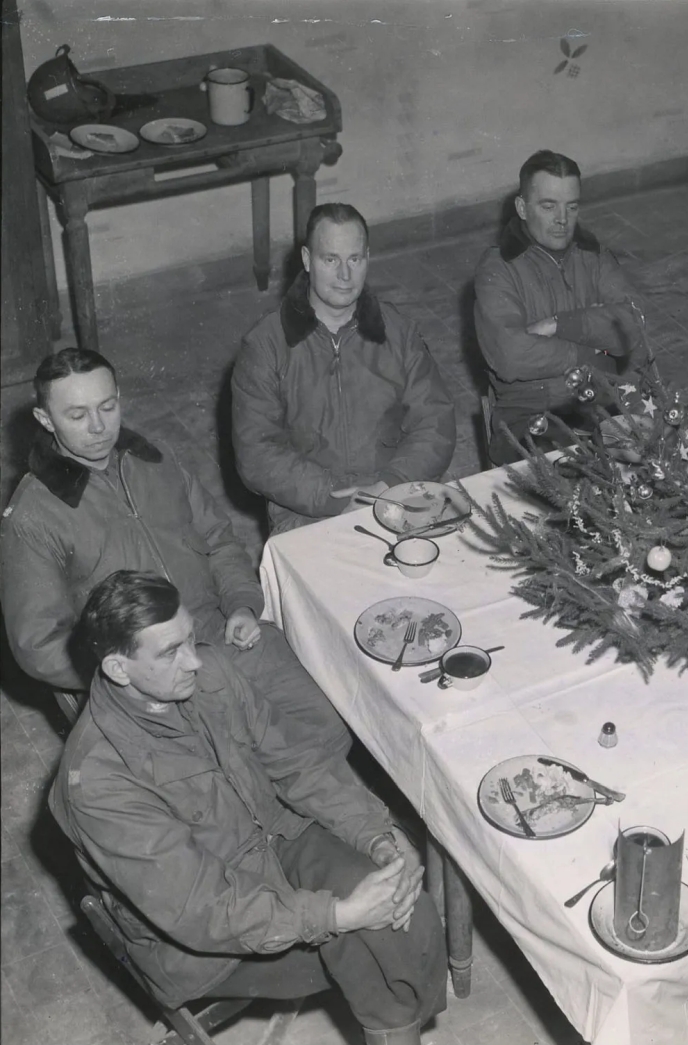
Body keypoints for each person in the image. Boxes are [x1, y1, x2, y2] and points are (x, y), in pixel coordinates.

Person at [48, 572, 445, 1045]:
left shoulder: (207, 675)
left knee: (405, 906)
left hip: (278, 838)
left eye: (191, 638)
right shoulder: (97, 782)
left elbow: (299, 761)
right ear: (117, 669)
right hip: (206, 942)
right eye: (171, 652)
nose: (195, 661)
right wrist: (338, 915)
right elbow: (202, 911)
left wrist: (376, 834)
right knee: (372, 941)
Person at [0, 348, 349, 755]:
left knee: (327, 729)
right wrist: (132, 670)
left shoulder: (157, 459)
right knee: (235, 770)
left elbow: (219, 539)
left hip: (219, 634)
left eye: (107, 407)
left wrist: (240, 604)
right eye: (76, 416)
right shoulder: (32, 516)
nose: (98, 427)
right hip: (143, 674)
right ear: (45, 420)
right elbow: (36, 643)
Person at [233, 202, 457, 533]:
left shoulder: (398, 331)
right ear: (308, 260)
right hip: (309, 511)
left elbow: (436, 423)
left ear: (367, 257)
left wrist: (388, 485)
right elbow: (256, 452)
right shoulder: (265, 346)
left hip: (396, 496)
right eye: (330, 260)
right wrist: (336, 498)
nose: (345, 275)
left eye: (354, 259)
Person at [474, 150, 643, 464]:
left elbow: (631, 326)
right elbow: (511, 355)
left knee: (657, 459)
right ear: (523, 208)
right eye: (548, 206)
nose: (562, 220)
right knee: (565, 477)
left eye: (572, 206)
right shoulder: (498, 268)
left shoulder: (593, 255)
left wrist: (557, 325)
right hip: (529, 415)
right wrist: (591, 350)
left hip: (600, 404)